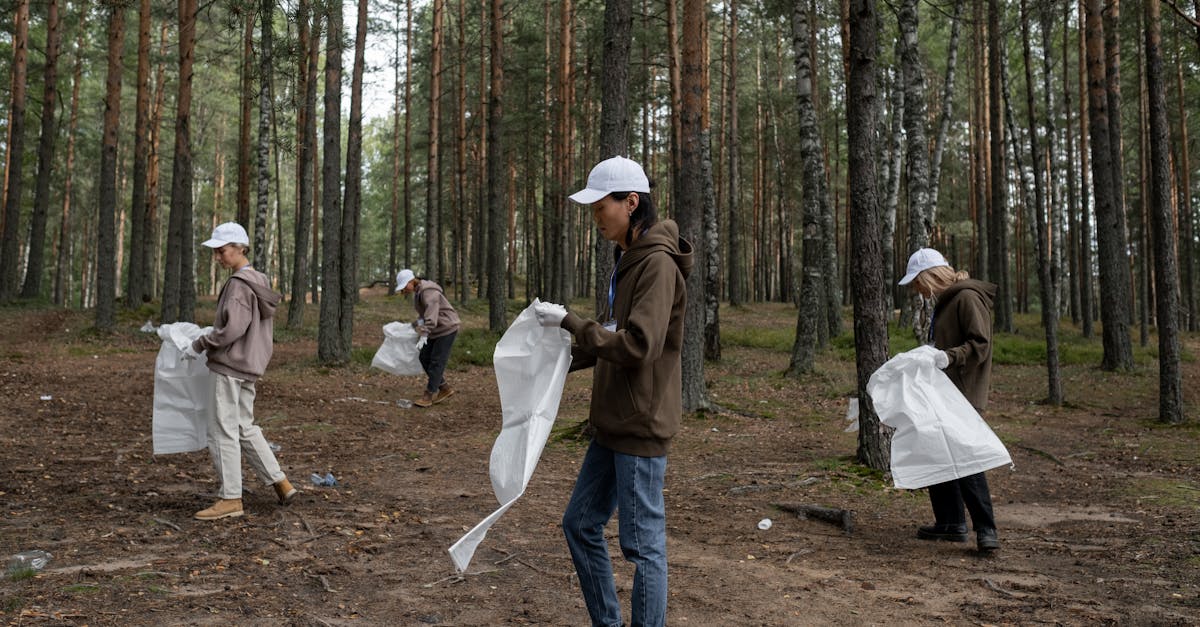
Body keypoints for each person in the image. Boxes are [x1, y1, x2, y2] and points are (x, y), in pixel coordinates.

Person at [534, 156, 693, 627]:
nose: (595, 216)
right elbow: (614, 331)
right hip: (612, 424)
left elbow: (640, 345)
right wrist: (560, 357)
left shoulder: (658, 265)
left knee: (643, 546)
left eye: (600, 206)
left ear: (631, 202)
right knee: (580, 524)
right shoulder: (629, 260)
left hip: (640, 424)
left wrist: (572, 323)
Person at [183, 222, 294, 521]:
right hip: (249, 366)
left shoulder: (237, 285)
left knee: (222, 430)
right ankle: (280, 482)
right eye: (216, 252)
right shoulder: (258, 280)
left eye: (222, 251)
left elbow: (232, 328)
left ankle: (230, 498)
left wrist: (201, 342)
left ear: (239, 248)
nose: (218, 257)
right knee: (244, 425)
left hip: (230, 364)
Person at [898, 247, 1001, 552]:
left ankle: (986, 530)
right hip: (945, 389)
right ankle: (950, 523)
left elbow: (980, 344)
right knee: (937, 452)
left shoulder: (966, 297)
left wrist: (947, 357)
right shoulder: (947, 301)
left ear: (930, 276)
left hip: (964, 392)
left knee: (966, 459)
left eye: (917, 282)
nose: (917, 289)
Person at [396, 268, 460, 408]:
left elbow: (431, 316)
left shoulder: (428, 291)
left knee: (437, 361)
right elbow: (424, 317)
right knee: (424, 357)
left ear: (411, 281)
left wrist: (424, 334)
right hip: (435, 329)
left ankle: (429, 395)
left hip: (447, 328)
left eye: (404, 286)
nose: (404, 290)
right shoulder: (418, 293)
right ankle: (444, 388)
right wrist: (412, 325)